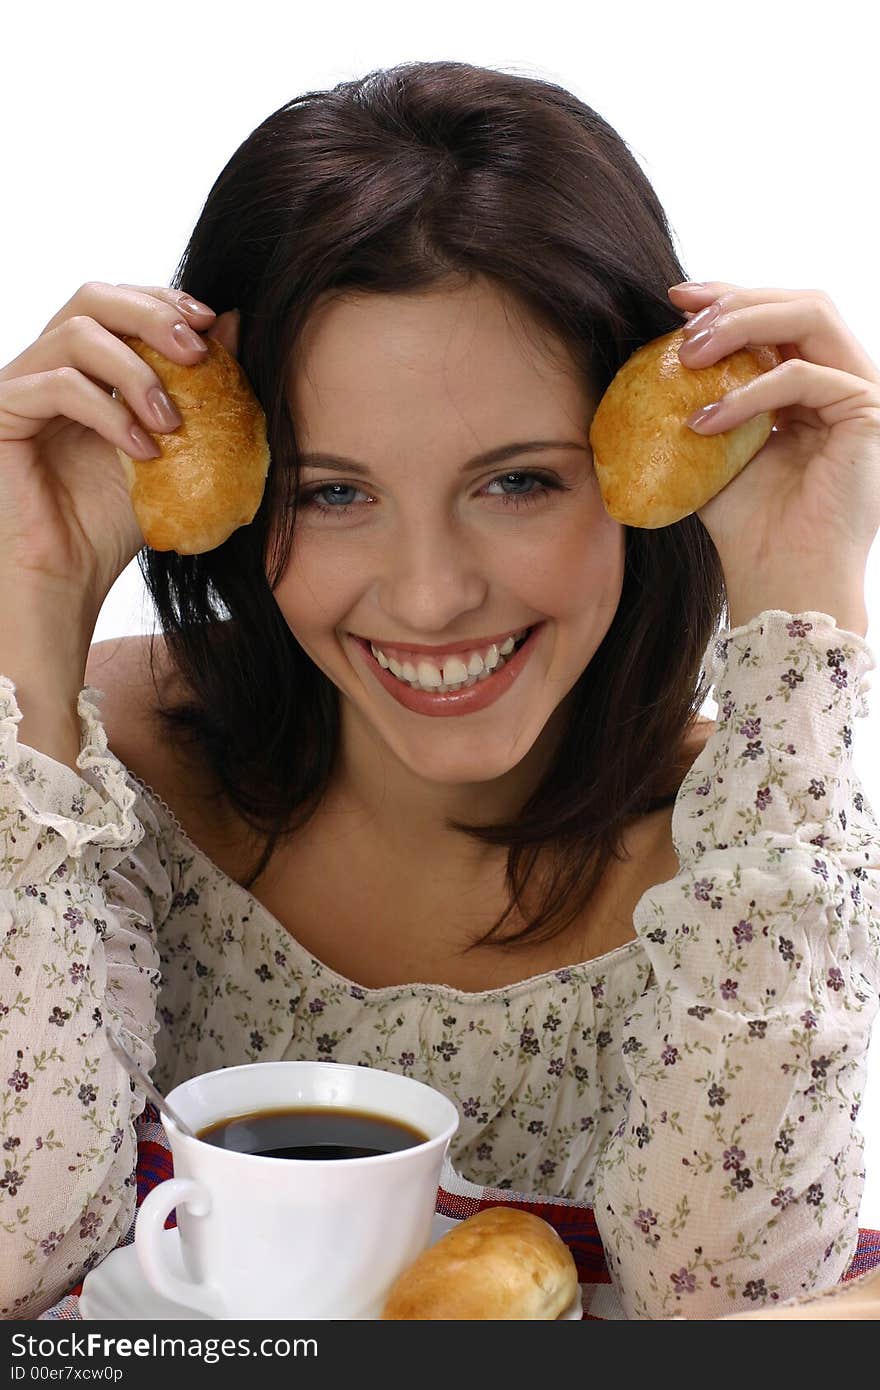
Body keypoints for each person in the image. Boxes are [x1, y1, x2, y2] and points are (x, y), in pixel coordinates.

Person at [1, 59, 878, 1322]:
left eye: (518, 481)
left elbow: (727, 1304)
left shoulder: (751, 844)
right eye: (332, 491)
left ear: (644, 468)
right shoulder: (94, 777)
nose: (425, 599)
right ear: (242, 491)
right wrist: (28, 593)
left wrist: (807, 588)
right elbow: (16, 1264)